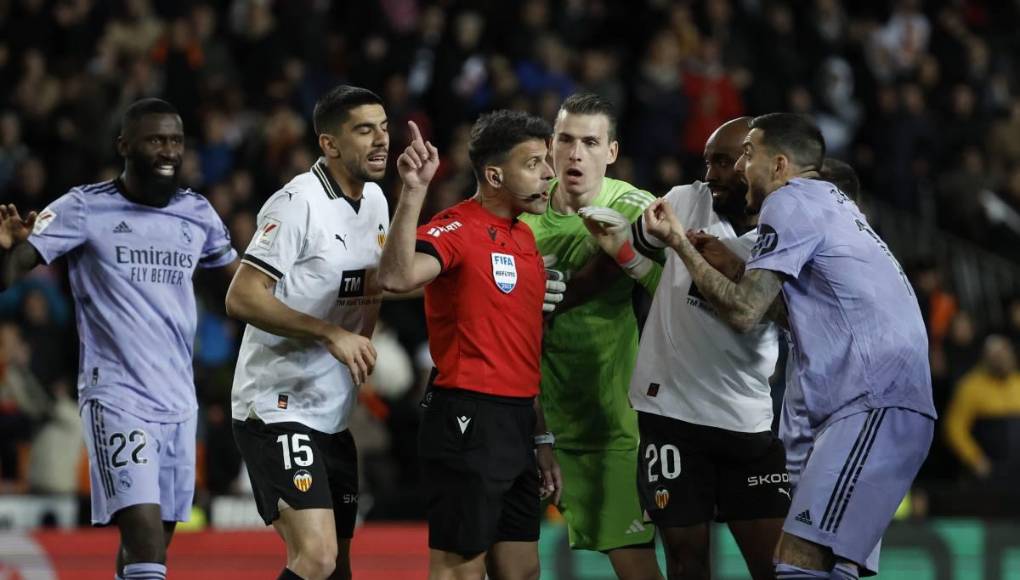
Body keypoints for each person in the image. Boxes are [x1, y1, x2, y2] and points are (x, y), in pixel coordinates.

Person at [638, 112, 936, 578]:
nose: (741, 167)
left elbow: (744, 312)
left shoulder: (789, 200)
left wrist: (680, 243)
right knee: (823, 564)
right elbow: (790, 310)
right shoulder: (832, 204)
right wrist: (735, 267)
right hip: (880, 405)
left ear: (779, 166)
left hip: (871, 402)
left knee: (799, 558)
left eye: (747, 155)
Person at [0, 98, 237, 580]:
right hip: (116, 396)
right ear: (124, 145)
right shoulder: (84, 207)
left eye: (176, 140)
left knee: (151, 546)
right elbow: (15, 269)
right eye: (155, 140)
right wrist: (7, 249)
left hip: (179, 400)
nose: (168, 150)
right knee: (145, 539)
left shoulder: (197, 212)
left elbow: (242, 286)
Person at [582, 117, 787, 580]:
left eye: (723, 161)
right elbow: (626, 259)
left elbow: (761, 313)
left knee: (776, 568)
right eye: (707, 161)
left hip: (746, 419)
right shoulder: (683, 200)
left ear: (753, 162)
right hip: (670, 414)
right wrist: (560, 298)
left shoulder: (787, 232)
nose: (710, 174)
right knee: (685, 562)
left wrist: (718, 261)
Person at [378, 110, 563, 580]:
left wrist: (540, 436)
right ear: (495, 176)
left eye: (547, 162)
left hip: (518, 421)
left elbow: (525, 348)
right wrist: (414, 192)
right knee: (461, 567)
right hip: (468, 416)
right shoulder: (456, 228)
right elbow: (396, 277)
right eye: (534, 163)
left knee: (521, 570)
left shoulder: (526, 239)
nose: (549, 173)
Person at [226, 85, 390, 580]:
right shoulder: (297, 202)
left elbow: (370, 285)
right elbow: (242, 296)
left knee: (336, 571)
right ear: (330, 144)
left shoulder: (376, 199)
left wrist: (360, 342)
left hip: (332, 412)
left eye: (384, 127)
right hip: (276, 405)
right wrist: (330, 334)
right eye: (365, 130)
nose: (381, 140)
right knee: (316, 558)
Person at [518, 93, 661, 579]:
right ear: (550, 145)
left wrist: (627, 252)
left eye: (590, 142)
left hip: (608, 427)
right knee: (506, 568)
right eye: (565, 140)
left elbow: (682, 286)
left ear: (612, 152)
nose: (575, 154)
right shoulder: (520, 213)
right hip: (526, 424)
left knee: (637, 569)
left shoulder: (632, 207)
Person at [943, 335, 1020, 481]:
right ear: (986, 358)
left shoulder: (1018, 383)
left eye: (1006, 354)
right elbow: (954, 428)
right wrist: (975, 459)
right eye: (997, 356)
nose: (1003, 360)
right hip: (989, 471)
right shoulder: (971, 387)